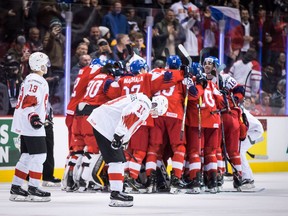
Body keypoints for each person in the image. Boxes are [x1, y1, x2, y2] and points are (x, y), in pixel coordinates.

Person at [87, 93, 167, 207]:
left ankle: (117, 191)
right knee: (116, 161)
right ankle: (116, 194)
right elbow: (129, 115)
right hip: (105, 124)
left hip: (103, 122)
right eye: (156, 111)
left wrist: (122, 139)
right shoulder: (145, 104)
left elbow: (127, 117)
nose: (153, 114)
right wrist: (119, 136)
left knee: (118, 160)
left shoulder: (142, 100)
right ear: (157, 105)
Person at [9, 52, 51, 202]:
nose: (47, 66)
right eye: (45, 63)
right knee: (39, 156)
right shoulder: (36, 80)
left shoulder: (30, 78)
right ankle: (34, 187)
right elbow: (29, 102)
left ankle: (16, 187)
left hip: (24, 122)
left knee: (26, 156)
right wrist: (34, 118)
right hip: (30, 123)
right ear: (39, 64)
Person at [240, 107, 264, 189]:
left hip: (254, 130)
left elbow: (242, 126)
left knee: (239, 152)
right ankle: (249, 178)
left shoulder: (238, 110)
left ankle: (247, 179)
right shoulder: (237, 107)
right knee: (239, 151)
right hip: (251, 130)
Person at [42, 103, 61, 187]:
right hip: (41, 124)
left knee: (48, 151)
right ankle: (46, 177)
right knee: (35, 154)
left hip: (46, 124)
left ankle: (47, 177)